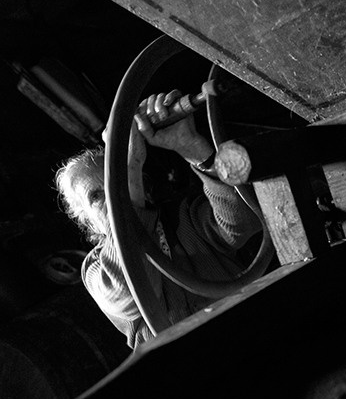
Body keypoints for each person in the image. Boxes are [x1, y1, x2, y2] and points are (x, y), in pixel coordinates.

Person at [56, 90, 262, 348]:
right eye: (97, 196)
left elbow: (244, 221)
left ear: (145, 187)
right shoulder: (95, 269)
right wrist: (128, 167)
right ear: (86, 220)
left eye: (115, 182)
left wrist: (191, 146)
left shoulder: (184, 218)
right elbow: (128, 288)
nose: (113, 196)